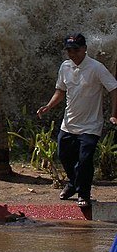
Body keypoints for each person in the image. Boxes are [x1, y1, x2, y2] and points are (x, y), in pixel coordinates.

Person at [37, 33, 117, 208]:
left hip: (91, 125)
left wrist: (114, 113)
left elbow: (113, 88)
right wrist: (49, 106)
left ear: (84, 49)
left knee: (85, 160)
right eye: (69, 50)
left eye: (75, 50)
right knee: (64, 156)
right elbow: (60, 90)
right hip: (69, 123)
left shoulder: (96, 68)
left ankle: (84, 194)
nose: (72, 54)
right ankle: (73, 184)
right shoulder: (65, 67)